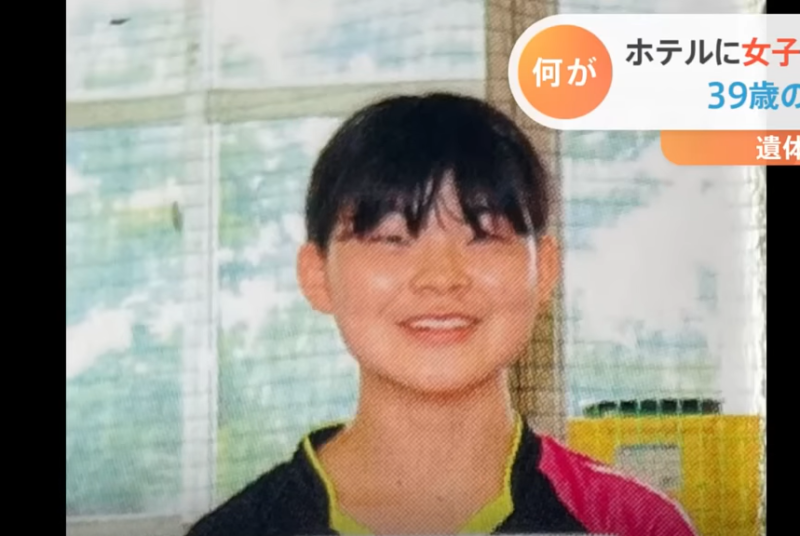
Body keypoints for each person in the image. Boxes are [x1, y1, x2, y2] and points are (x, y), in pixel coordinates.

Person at [186, 93, 697, 535]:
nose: (441, 277)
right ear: (317, 275)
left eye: (484, 235)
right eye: (392, 238)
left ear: (543, 271)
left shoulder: (630, 522)